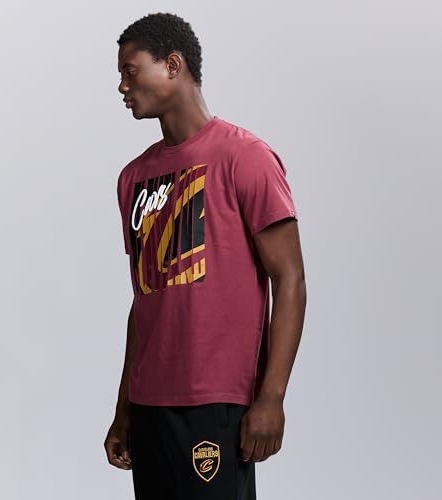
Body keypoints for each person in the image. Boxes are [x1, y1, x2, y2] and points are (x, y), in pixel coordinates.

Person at [104, 12, 306, 500]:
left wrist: (272, 396)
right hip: (149, 404)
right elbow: (145, 298)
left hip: (216, 401)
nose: (122, 86)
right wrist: (124, 406)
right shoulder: (133, 178)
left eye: (131, 71)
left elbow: (290, 280)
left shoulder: (245, 157)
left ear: (173, 65)